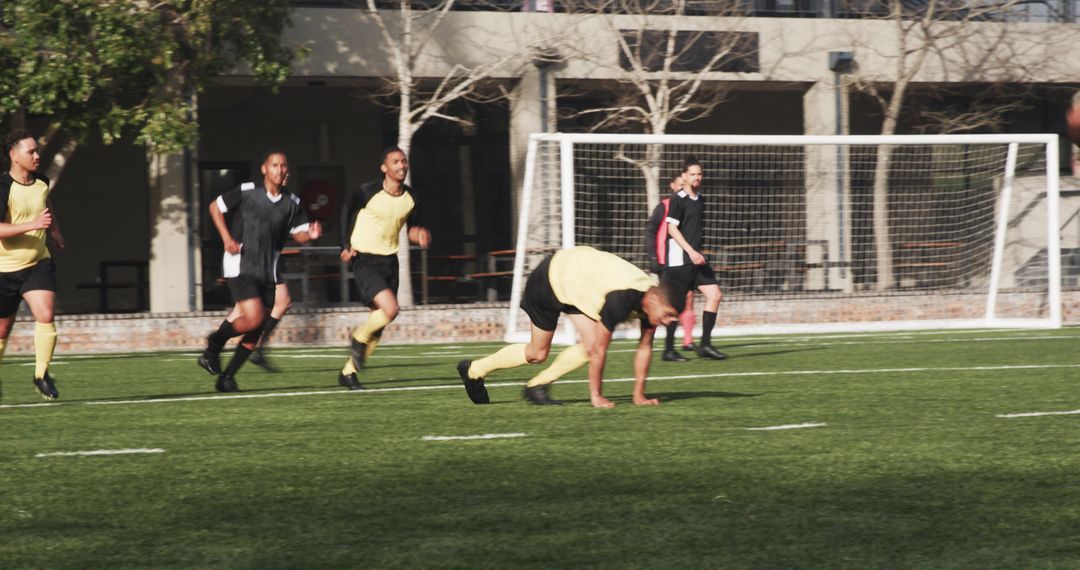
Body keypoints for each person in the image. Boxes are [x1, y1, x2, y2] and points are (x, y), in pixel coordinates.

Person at [457, 246, 680, 408]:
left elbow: (645, 348)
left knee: (590, 345)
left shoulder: (652, 301)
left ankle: (537, 385)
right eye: (668, 314)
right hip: (551, 277)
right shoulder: (623, 296)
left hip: (576, 283)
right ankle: (474, 370)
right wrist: (597, 396)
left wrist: (639, 395)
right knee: (538, 353)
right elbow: (600, 351)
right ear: (654, 300)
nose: (670, 322)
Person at [197, 150, 321, 392]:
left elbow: (300, 234)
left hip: (268, 269)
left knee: (258, 326)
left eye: (283, 166)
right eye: (274, 165)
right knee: (253, 317)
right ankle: (214, 344)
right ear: (264, 169)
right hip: (240, 263)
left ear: (288, 171)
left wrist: (311, 236)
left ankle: (227, 377)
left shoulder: (292, 202)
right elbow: (215, 207)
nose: (279, 169)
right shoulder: (247, 191)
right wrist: (226, 238)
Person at [337, 146, 430, 390]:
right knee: (391, 309)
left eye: (404, 161)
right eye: (396, 162)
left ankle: (348, 373)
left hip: (390, 261)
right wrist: (345, 244)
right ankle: (357, 338)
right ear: (384, 168)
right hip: (365, 259)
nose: (402, 166)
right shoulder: (367, 192)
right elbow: (346, 211)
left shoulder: (412, 197)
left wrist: (419, 235)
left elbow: (412, 230)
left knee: (378, 325)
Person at [0, 129, 64, 400]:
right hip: (4, 269)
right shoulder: (2, 187)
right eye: (31, 152)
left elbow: (45, 202)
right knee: (3, 328)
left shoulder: (41, 181)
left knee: (46, 313)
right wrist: (32, 225)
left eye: (37, 151)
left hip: (38, 263)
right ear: (14, 156)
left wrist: (55, 231)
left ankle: (41, 374)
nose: (37, 156)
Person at [662, 156, 726, 360]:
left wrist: (697, 253)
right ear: (684, 176)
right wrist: (690, 251)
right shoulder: (678, 199)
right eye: (692, 174)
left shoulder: (701, 200)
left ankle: (705, 345)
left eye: (699, 174)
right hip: (681, 260)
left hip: (697, 260)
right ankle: (668, 350)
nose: (696, 177)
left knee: (715, 295)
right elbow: (672, 229)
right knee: (675, 305)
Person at [645, 174, 699, 361]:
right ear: (673, 186)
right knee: (662, 305)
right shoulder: (664, 206)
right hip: (663, 263)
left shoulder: (689, 206)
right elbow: (651, 231)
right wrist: (653, 256)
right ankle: (652, 344)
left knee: (681, 302)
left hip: (681, 263)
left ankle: (677, 344)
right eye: (680, 184)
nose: (683, 187)